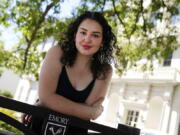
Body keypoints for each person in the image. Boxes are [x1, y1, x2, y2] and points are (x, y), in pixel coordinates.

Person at [22, 11, 117, 135]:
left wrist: (47, 102)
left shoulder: (105, 70)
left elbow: (86, 113)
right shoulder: (57, 53)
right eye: (83, 32)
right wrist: (45, 101)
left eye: (95, 35)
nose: (87, 39)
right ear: (75, 35)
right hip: (39, 129)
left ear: (102, 41)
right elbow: (88, 112)